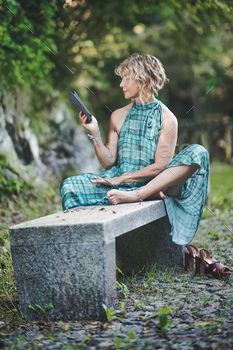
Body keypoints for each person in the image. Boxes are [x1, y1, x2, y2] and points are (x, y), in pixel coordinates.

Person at [60, 53, 209, 246]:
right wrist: (95, 133)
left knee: (198, 152)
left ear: (144, 79)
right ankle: (82, 250)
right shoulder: (117, 116)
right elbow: (108, 161)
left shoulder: (167, 118)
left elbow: (159, 167)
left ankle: (141, 194)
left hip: (154, 182)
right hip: (119, 184)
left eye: (127, 78)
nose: (122, 84)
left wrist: (122, 179)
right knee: (69, 186)